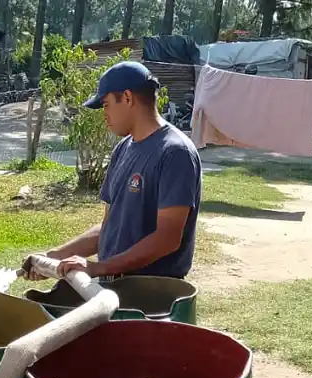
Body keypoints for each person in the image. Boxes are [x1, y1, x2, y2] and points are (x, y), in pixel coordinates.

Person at [23, 61, 201, 282]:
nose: (104, 115)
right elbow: (109, 227)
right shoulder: (123, 149)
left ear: (127, 98)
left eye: (106, 105)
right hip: (114, 285)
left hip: (152, 295)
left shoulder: (175, 152)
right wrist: (54, 256)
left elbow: (168, 237)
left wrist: (98, 268)